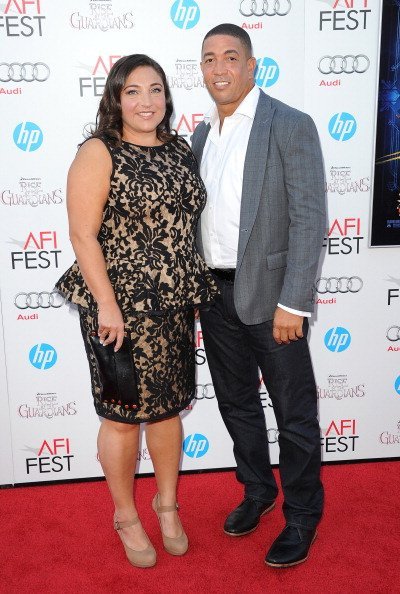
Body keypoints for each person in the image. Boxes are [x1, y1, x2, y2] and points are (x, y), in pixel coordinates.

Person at [55, 54, 217, 568]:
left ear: (167, 97)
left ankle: (166, 506)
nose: (145, 101)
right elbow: (83, 234)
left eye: (155, 90)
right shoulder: (99, 151)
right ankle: (125, 514)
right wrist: (107, 304)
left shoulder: (178, 149)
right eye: (133, 91)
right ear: (116, 99)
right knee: (124, 416)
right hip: (116, 310)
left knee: (167, 408)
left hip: (170, 306)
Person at [192, 24, 326, 568]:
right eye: (208, 59)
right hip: (215, 295)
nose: (219, 68)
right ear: (201, 70)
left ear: (252, 65)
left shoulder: (289, 124)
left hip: (274, 300)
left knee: (293, 413)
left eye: (230, 57)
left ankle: (301, 514)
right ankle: (257, 491)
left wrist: (294, 302)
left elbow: (309, 216)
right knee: (237, 404)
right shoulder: (202, 135)